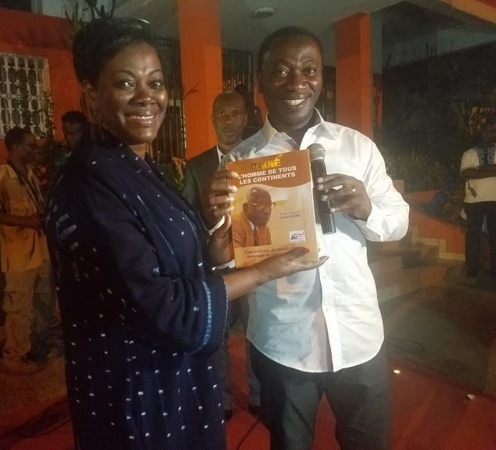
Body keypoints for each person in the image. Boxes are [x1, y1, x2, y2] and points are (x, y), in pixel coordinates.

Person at [45, 17, 326, 450]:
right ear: (92, 93)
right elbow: (169, 308)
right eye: (125, 83)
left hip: (173, 379)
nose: (146, 97)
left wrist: (219, 238)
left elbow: (183, 261)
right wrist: (266, 270)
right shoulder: (91, 183)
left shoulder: (140, 168)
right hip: (137, 394)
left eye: (155, 83)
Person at [202, 26, 409, 450]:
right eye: (281, 71)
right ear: (260, 82)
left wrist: (366, 207)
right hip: (283, 342)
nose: (297, 82)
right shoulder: (240, 163)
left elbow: (399, 222)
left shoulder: (357, 147)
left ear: (320, 78)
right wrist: (217, 235)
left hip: (358, 336)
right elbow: (230, 260)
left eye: (309, 70)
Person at [182, 91, 260, 421]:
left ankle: (259, 395)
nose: (229, 121)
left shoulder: (260, 159)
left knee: (257, 331)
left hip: (255, 260)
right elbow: (188, 216)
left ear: (245, 117)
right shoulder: (197, 166)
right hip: (216, 267)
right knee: (219, 335)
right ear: (213, 119)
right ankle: (223, 399)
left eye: (235, 113)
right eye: (222, 114)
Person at [0, 127, 61, 375]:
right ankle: (15, 357)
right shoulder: (0, 176)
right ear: (14, 146)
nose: (35, 151)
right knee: (19, 308)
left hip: (40, 250)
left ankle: (38, 344)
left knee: (44, 301)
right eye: (31, 146)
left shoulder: (29, 174)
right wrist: (26, 222)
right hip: (18, 255)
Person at [460, 118, 496, 278]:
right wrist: (492, 170)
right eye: (486, 131)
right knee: (472, 235)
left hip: (495, 200)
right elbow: (466, 173)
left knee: (495, 235)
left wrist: (478, 170)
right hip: (473, 201)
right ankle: (472, 268)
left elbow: (473, 172)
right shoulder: (469, 153)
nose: (489, 134)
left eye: (492, 132)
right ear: (480, 133)